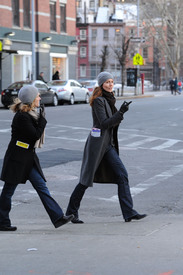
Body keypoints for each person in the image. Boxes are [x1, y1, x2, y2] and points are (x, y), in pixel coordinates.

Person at [66, 71, 147, 224]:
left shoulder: (109, 100)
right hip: (97, 145)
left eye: (112, 81)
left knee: (122, 175)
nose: (110, 84)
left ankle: (128, 212)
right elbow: (104, 124)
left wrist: (119, 114)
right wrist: (121, 113)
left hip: (108, 145)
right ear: (101, 84)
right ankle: (71, 212)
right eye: (107, 82)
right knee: (85, 180)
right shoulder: (99, 101)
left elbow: (113, 123)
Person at [0, 86, 73, 231]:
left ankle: (58, 217)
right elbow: (34, 135)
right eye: (38, 96)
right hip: (17, 159)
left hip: (28, 158)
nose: (40, 98)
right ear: (31, 99)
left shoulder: (31, 114)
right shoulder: (22, 116)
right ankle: (2, 222)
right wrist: (42, 121)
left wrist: (40, 118)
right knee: (8, 191)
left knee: (41, 187)